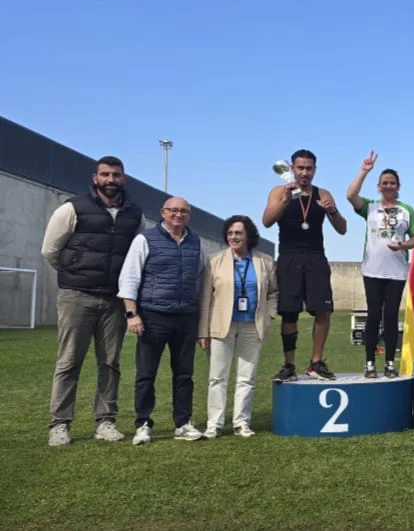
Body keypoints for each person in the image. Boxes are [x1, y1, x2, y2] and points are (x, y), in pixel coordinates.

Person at [40, 156, 143, 446]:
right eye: (106, 174)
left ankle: (106, 421)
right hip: (77, 297)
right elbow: (51, 250)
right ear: (95, 177)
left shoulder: (135, 214)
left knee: (110, 363)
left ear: (124, 178)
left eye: (117, 175)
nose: (111, 179)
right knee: (69, 362)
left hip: (114, 301)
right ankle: (60, 424)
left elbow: (136, 257)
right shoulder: (72, 208)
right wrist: (76, 274)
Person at [119, 196, 207, 445]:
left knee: (184, 375)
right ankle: (143, 424)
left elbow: (199, 279)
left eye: (184, 211)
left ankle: (183, 423)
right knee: (146, 374)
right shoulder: (145, 239)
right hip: (153, 316)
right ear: (163, 212)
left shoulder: (196, 242)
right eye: (173, 211)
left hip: (186, 317)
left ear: (189, 215)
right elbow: (129, 278)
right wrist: (131, 313)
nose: (178, 215)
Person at [263, 149, 347, 382]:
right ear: (292, 168)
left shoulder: (323, 193)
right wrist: (284, 202)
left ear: (315, 170)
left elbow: (342, 229)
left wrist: (332, 210)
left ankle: (316, 362)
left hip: (315, 256)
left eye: (309, 168)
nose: (304, 173)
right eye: (300, 168)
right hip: (289, 257)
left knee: (323, 309)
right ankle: (289, 365)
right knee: (289, 313)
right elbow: (267, 221)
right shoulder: (279, 191)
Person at [198, 215, 278, 439]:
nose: (233, 237)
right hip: (220, 326)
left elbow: (273, 293)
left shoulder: (265, 261)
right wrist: (202, 332)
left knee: (246, 378)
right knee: (217, 377)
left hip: (252, 326)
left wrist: (269, 315)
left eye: (238, 233)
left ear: (248, 236)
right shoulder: (214, 261)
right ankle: (214, 423)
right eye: (230, 233)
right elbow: (205, 298)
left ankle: (241, 422)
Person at [346, 152, 414, 377]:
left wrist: (403, 245)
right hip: (372, 270)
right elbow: (350, 195)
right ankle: (369, 362)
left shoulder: (406, 210)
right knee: (373, 315)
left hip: (396, 272)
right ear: (379, 186)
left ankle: (389, 362)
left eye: (392, 183)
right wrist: (364, 171)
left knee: (390, 316)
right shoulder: (370, 207)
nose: (388, 186)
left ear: (398, 186)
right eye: (385, 183)